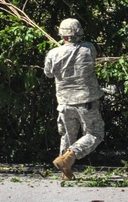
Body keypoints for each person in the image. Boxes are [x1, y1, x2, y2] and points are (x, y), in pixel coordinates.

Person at [44, 18, 105, 180]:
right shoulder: (88, 48)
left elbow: (48, 73)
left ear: (61, 34)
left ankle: (65, 171)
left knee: (67, 136)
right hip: (86, 101)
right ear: (79, 32)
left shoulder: (53, 53)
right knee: (95, 133)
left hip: (64, 103)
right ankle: (69, 156)